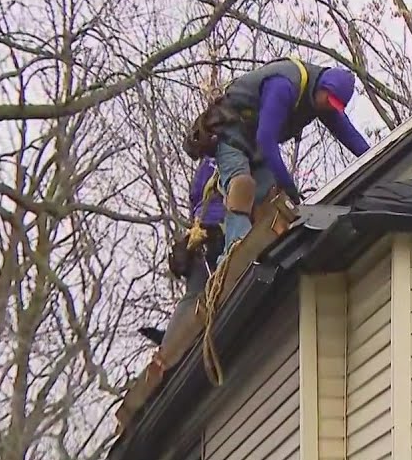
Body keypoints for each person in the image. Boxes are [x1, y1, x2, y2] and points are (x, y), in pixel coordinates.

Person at [182, 56, 370, 264]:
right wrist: (289, 187)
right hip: (231, 132)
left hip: (256, 143)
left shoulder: (321, 100)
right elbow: (266, 139)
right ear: (323, 88)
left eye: (334, 106)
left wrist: (371, 158)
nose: (329, 107)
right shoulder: (284, 85)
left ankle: (265, 253)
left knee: (272, 201)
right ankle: (235, 255)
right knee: (241, 187)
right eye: (329, 101)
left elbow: (349, 135)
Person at [141, 156, 228, 347]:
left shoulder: (205, 165)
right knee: (213, 289)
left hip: (200, 234)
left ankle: (170, 342)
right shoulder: (230, 156)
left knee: (194, 295)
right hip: (218, 231)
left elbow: (195, 201)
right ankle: (173, 344)